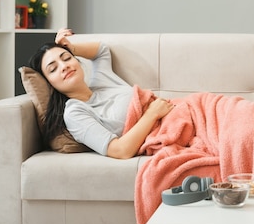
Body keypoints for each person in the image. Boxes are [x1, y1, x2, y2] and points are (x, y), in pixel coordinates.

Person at [29, 28, 175, 159]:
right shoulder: (75, 112)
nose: (64, 66)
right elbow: (120, 150)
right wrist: (151, 114)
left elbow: (102, 50)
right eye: (53, 69)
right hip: (165, 127)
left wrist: (71, 47)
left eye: (66, 58)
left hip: (176, 112)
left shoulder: (100, 80)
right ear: (50, 85)